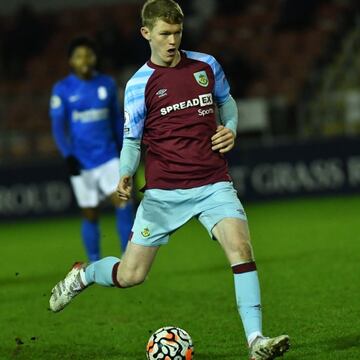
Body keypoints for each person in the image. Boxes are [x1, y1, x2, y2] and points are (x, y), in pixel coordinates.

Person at [49, 2, 290, 359]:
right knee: (131, 275)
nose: (172, 41)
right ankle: (83, 276)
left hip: (212, 182)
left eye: (177, 33)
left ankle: (256, 341)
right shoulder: (137, 85)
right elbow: (132, 141)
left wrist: (231, 129)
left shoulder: (206, 66)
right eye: (164, 34)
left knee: (241, 249)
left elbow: (229, 103)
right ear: (146, 33)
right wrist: (126, 174)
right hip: (164, 193)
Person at [49, 36, 134, 261]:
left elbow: (116, 120)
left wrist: (125, 149)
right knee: (90, 214)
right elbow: (58, 128)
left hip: (108, 157)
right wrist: (68, 156)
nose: (84, 60)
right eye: (78, 56)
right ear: (71, 61)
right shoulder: (62, 89)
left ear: (95, 58)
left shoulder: (106, 83)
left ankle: (128, 258)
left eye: (88, 54)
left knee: (124, 201)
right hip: (81, 161)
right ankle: (95, 261)